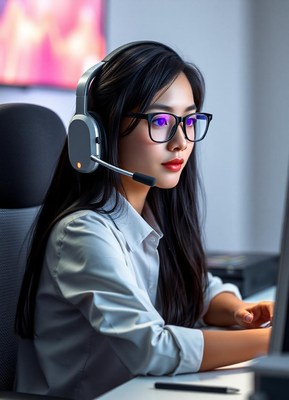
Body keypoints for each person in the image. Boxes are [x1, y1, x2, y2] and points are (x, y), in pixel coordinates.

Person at [15, 41, 273, 400]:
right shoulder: (82, 234)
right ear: (99, 132)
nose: (181, 141)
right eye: (161, 120)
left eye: (190, 120)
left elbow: (196, 287)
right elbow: (150, 347)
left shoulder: (152, 214)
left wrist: (240, 311)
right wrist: (272, 341)